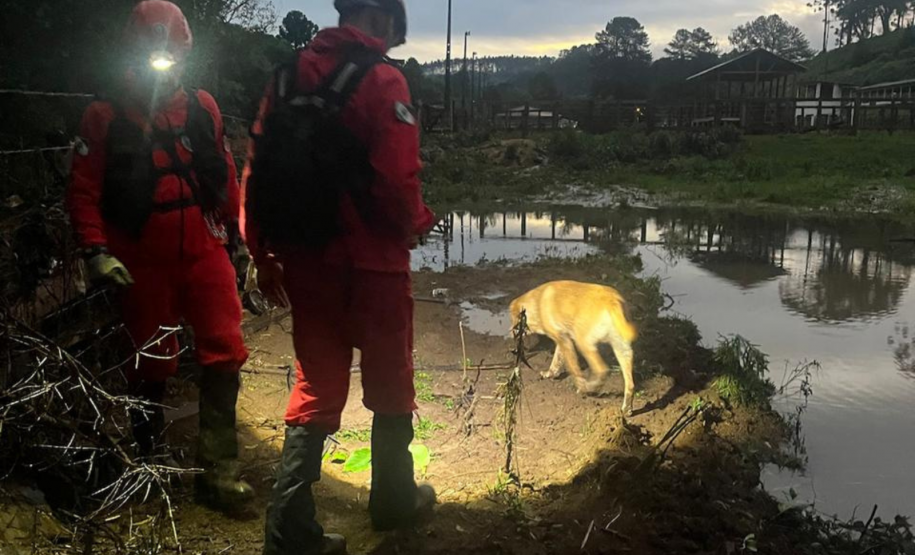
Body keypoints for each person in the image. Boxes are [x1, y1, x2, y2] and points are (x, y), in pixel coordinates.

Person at [241, 0, 436, 553]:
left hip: (306, 263)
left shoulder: (283, 80)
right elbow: (398, 181)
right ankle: (394, 501)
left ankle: (288, 528)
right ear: (381, 20)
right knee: (391, 379)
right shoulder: (382, 79)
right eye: (395, 34)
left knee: (315, 384)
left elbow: (255, 170)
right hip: (373, 265)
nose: (393, 46)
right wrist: (420, 222)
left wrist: (261, 253)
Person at [66, 0, 253, 513]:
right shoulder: (104, 115)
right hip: (139, 258)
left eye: (172, 48)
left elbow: (225, 173)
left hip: (203, 249)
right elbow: (83, 190)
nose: (163, 57)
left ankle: (218, 471)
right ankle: (150, 465)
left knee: (226, 349)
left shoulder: (202, 107)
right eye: (155, 47)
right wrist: (96, 251)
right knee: (151, 362)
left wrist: (237, 243)